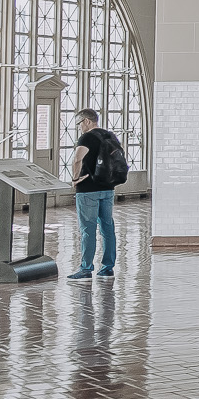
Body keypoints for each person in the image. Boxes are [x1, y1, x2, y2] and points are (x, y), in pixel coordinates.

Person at [67, 109, 121, 280]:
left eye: (79, 123)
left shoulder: (86, 137)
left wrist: (75, 178)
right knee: (107, 227)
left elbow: (77, 158)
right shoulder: (109, 135)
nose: (79, 127)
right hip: (107, 188)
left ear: (87, 121)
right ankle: (107, 267)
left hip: (88, 189)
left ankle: (86, 268)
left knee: (88, 229)